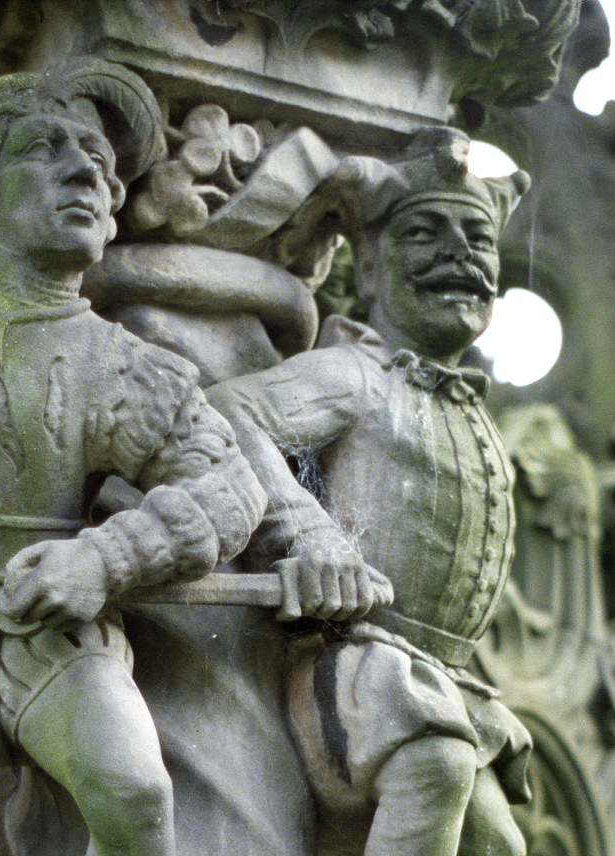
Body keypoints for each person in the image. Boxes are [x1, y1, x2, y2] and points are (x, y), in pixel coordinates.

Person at [0, 59, 266, 856]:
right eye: (45, 148)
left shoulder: (124, 365)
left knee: (136, 797)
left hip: (59, 632)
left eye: (100, 163)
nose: (86, 174)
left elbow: (230, 488)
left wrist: (107, 559)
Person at [208, 128, 533, 856]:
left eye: (479, 239)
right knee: (435, 769)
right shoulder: (355, 374)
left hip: (443, 681)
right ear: (370, 273)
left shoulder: (464, 406)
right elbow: (229, 412)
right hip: (355, 663)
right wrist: (310, 534)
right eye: (425, 232)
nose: (460, 254)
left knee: (499, 845)